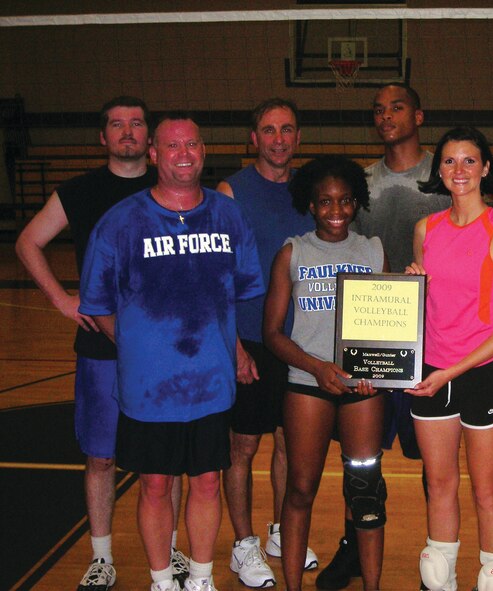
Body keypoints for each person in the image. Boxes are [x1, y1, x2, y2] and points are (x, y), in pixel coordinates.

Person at [79, 113, 264, 591]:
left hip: (211, 384)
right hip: (149, 389)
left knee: (206, 482)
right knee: (155, 485)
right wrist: (139, 345)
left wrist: (236, 350)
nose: (184, 154)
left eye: (193, 145)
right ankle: (163, 581)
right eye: (173, 146)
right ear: (155, 155)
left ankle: (200, 579)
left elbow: (239, 292)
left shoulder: (228, 216)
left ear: (203, 152)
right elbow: (96, 303)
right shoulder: (120, 222)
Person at [14, 96, 188, 591]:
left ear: (151, 138)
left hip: (164, 348)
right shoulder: (79, 191)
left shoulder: (173, 189)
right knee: (101, 456)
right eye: (117, 125)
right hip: (101, 350)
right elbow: (29, 242)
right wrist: (62, 300)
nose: (128, 132)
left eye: (136, 124)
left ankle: (170, 550)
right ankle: (102, 557)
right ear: (103, 137)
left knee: (164, 457)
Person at [319, 82, 450, 591]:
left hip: (432, 342)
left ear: (420, 114)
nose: (386, 116)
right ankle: (355, 545)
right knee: (362, 458)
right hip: (370, 342)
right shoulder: (361, 180)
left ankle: (437, 558)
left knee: (431, 464)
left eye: (396, 107)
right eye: (378, 109)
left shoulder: (446, 173)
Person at [406, 127, 493, 591]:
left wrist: (449, 374)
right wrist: (412, 284)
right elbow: (420, 308)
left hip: (480, 375)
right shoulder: (425, 230)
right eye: (451, 162)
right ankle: (442, 577)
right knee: (439, 487)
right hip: (429, 373)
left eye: (470, 161)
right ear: (438, 169)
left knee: (487, 491)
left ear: (486, 168)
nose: (460, 171)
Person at [263, 155, 388, 591]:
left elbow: (388, 321)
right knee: (300, 489)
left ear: (357, 202)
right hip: (308, 385)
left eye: (346, 201)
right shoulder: (293, 252)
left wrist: (379, 369)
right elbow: (273, 334)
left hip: (362, 388)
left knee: (365, 489)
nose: (337, 211)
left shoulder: (372, 249)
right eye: (326, 202)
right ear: (311, 205)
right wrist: (316, 368)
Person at [216, 98, 317, 589]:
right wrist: (233, 344)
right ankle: (242, 543)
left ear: (298, 138)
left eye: (288, 130)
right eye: (269, 130)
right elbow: (218, 275)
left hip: (299, 341)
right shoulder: (231, 191)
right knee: (243, 446)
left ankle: (280, 530)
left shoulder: (311, 191)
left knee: (288, 442)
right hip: (250, 338)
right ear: (253, 137)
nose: (279, 139)